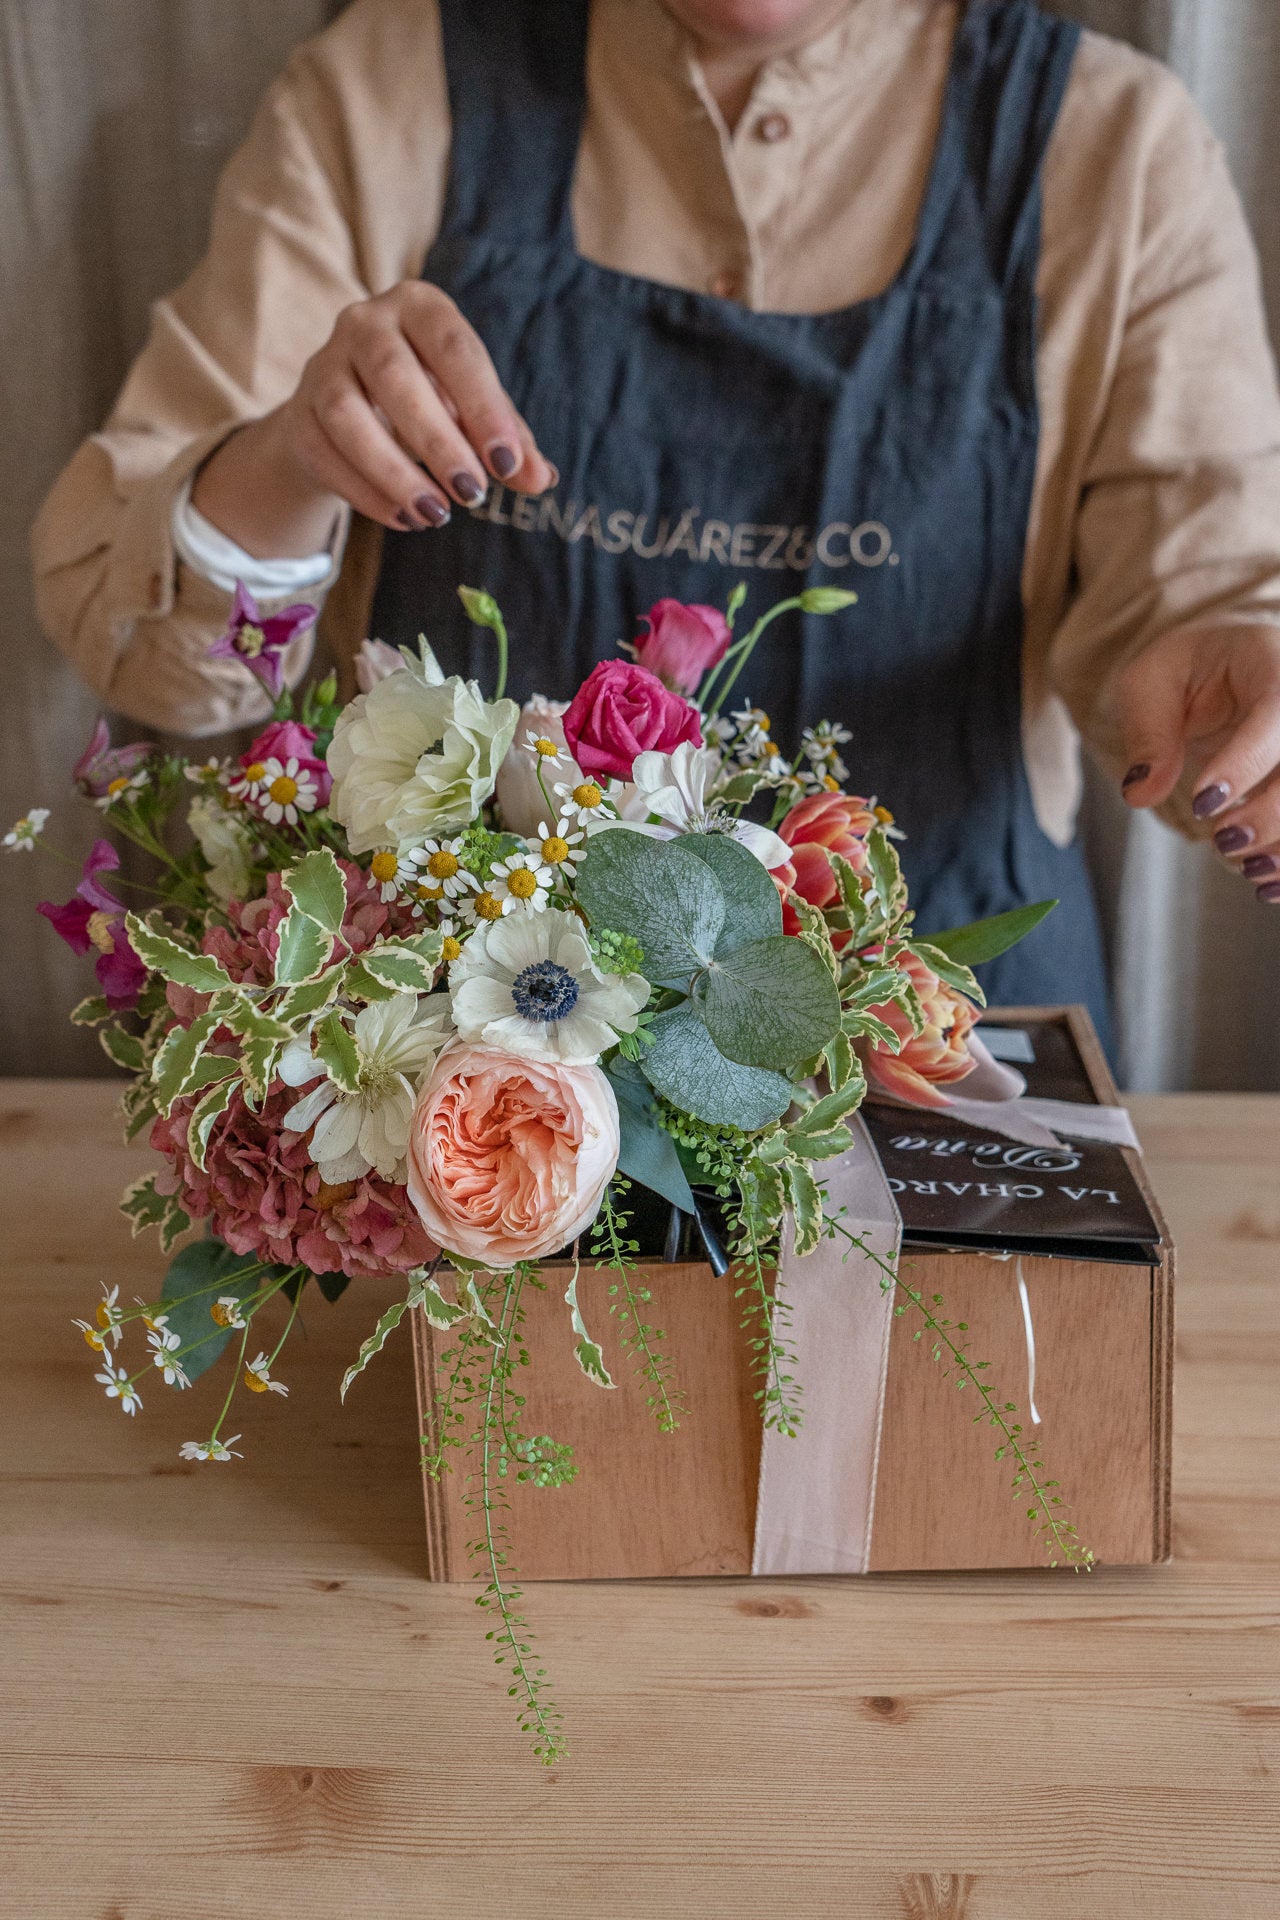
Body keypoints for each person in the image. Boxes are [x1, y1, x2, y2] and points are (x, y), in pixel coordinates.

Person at [32, 0, 1280, 1045]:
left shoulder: (1108, 147)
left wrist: (1234, 709)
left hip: (944, 1058)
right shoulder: (390, 85)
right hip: (467, 1098)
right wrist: (296, 453)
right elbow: (139, 646)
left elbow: (1198, 624)